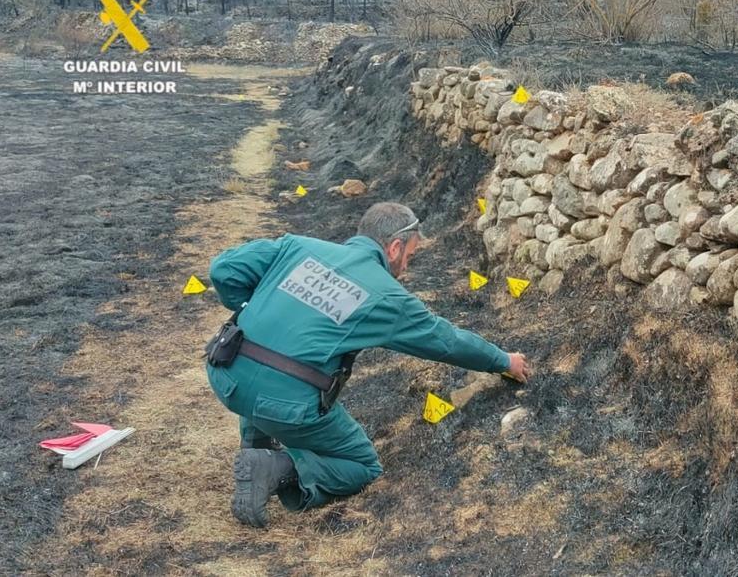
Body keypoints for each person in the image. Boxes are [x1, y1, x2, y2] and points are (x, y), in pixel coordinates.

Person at [204, 201, 529, 527]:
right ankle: (275, 467)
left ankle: (255, 449)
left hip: (226, 371)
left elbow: (223, 269)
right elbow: (445, 341)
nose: (406, 268)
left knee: (272, 360)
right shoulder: (386, 295)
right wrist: (503, 361)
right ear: (395, 247)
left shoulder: (297, 245)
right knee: (361, 465)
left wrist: (250, 308)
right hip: (284, 404)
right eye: (409, 257)